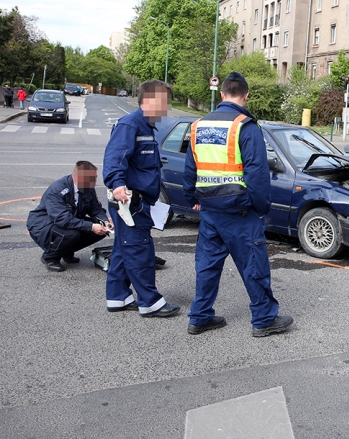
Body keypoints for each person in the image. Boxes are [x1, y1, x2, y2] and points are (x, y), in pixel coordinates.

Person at [183, 71, 293, 337]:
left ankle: (199, 317)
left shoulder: (198, 126)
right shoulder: (246, 126)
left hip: (210, 211)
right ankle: (264, 319)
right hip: (240, 212)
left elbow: (191, 167)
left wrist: (191, 198)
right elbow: (257, 174)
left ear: (222, 95)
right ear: (246, 96)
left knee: (207, 265)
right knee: (254, 265)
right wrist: (262, 207)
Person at [102, 79, 181, 317]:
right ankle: (150, 302)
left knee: (123, 248)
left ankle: (117, 297)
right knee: (139, 249)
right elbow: (115, 158)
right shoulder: (130, 125)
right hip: (129, 201)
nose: (166, 108)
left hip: (137, 200)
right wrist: (117, 184)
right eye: (164, 102)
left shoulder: (146, 126)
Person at [27, 161, 112, 272]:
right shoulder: (57, 190)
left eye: (94, 178)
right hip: (43, 223)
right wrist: (91, 226)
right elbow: (62, 219)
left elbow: (95, 209)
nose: (94, 182)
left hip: (67, 219)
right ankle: (50, 257)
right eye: (90, 179)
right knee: (72, 234)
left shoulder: (88, 187)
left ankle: (65, 251)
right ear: (77, 178)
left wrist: (104, 222)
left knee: (101, 231)